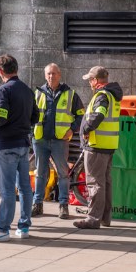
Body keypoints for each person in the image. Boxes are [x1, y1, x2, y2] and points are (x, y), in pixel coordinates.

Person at [0, 54, 39, 242]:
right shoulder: (27, 91)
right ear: (17, 69)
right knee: (25, 189)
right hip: (23, 144)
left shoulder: (3, 91)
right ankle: (24, 226)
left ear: (0, 71)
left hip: (5, 145)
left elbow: (0, 116)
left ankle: (3, 229)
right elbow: (35, 117)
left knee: (6, 191)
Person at [31, 63, 84, 219]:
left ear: (59, 75)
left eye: (54, 73)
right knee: (40, 173)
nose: (51, 76)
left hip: (60, 140)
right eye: (48, 74)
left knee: (63, 174)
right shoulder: (38, 93)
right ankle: (37, 204)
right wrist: (31, 133)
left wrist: (71, 129)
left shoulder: (70, 94)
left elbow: (81, 115)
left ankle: (63, 205)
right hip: (40, 139)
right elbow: (30, 115)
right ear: (45, 75)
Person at [73, 66, 122, 229]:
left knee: (95, 183)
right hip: (108, 145)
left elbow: (99, 114)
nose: (89, 83)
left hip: (97, 144)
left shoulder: (102, 95)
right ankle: (104, 218)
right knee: (105, 183)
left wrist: (87, 128)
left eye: (90, 80)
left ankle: (93, 218)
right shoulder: (112, 95)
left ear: (95, 80)